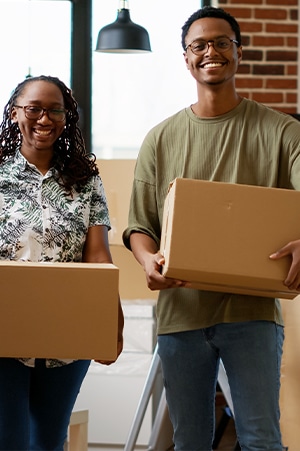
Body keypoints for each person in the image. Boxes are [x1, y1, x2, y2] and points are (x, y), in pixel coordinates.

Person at [123, 6, 300, 451]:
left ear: (239, 53)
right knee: (189, 442)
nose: (211, 52)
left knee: (262, 439)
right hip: (181, 315)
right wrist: (148, 259)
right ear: (185, 58)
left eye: (222, 42)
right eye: (199, 44)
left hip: (252, 315)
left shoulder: (282, 132)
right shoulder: (160, 138)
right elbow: (140, 225)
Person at [0, 75, 124, 451]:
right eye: (34, 108)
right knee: (10, 441)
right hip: (4, 331)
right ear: (14, 113)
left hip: (67, 335)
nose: (45, 118)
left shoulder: (85, 179)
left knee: (50, 441)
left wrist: (111, 322)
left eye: (56, 110)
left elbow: (99, 255)